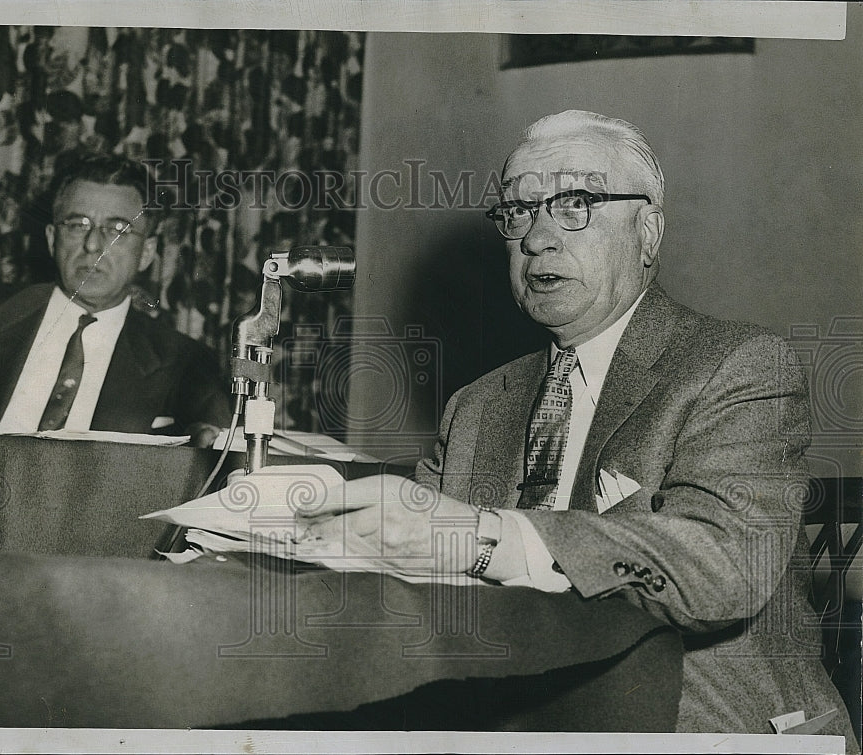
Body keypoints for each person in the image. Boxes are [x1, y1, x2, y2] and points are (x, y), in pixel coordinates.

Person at [300, 110, 858, 743]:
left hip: (697, 729)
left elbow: (721, 569)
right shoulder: (476, 406)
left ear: (648, 232)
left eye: (575, 202)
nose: (536, 237)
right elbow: (413, 577)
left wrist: (487, 541)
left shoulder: (737, 367)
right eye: (517, 212)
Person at [0, 153, 230, 444]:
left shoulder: (184, 363)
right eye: (77, 224)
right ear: (51, 238)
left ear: (146, 253)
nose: (92, 246)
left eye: (117, 229)